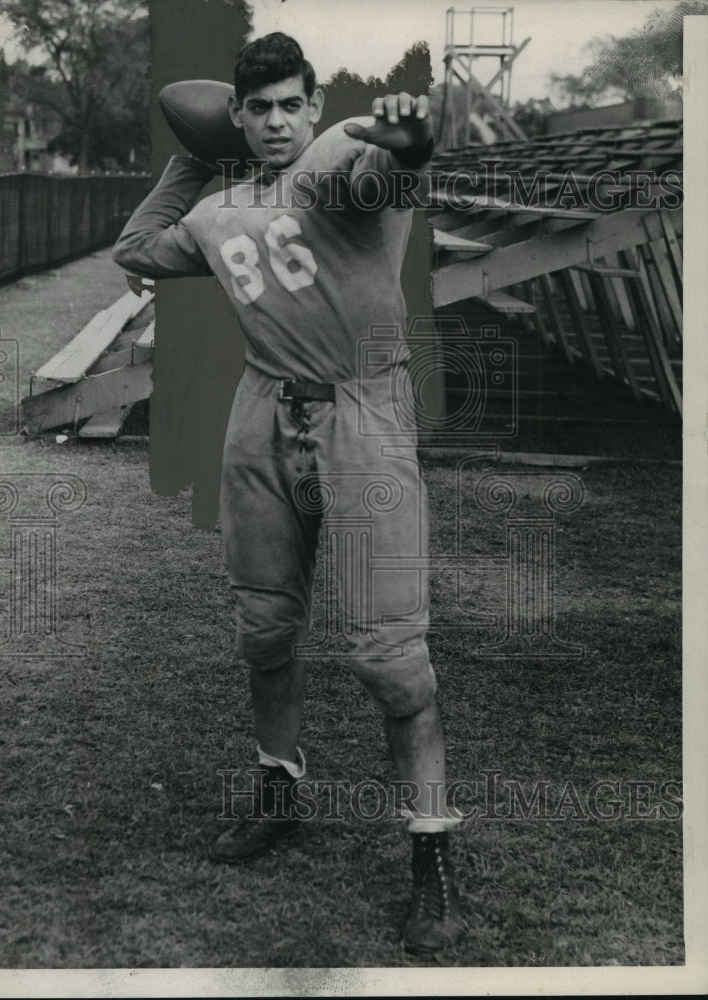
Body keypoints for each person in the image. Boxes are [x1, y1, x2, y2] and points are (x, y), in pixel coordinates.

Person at [113, 31, 465, 956]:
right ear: (238, 115)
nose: (275, 122)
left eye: (288, 105)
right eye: (256, 107)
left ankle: (430, 852)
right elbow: (139, 247)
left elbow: (393, 163)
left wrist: (410, 135)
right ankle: (280, 791)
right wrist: (195, 155)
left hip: (363, 415)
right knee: (264, 626)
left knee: (389, 655)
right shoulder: (222, 205)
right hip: (263, 414)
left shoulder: (339, 161)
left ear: (312, 106)